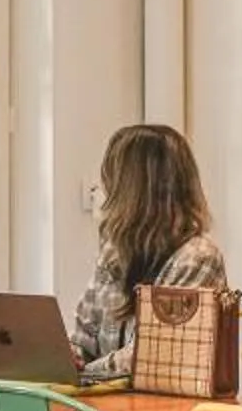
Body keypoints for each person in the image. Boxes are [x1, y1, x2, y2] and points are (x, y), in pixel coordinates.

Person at [69, 123, 230, 379]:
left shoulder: (197, 259)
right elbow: (83, 338)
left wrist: (82, 373)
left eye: (110, 180)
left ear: (130, 191)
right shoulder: (113, 254)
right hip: (109, 405)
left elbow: (148, 356)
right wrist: (68, 357)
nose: (103, 191)